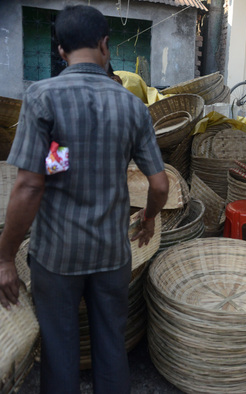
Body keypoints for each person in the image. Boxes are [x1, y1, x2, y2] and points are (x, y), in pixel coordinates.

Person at [0, 5, 169, 393]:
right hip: (112, 254)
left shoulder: (42, 97)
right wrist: (149, 217)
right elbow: (159, 186)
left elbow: (30, 186)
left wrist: (4, 256)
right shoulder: (132, 106)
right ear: (105, 45)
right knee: (111, 344)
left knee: (59, 350)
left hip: (56, 258)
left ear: (60, 50)